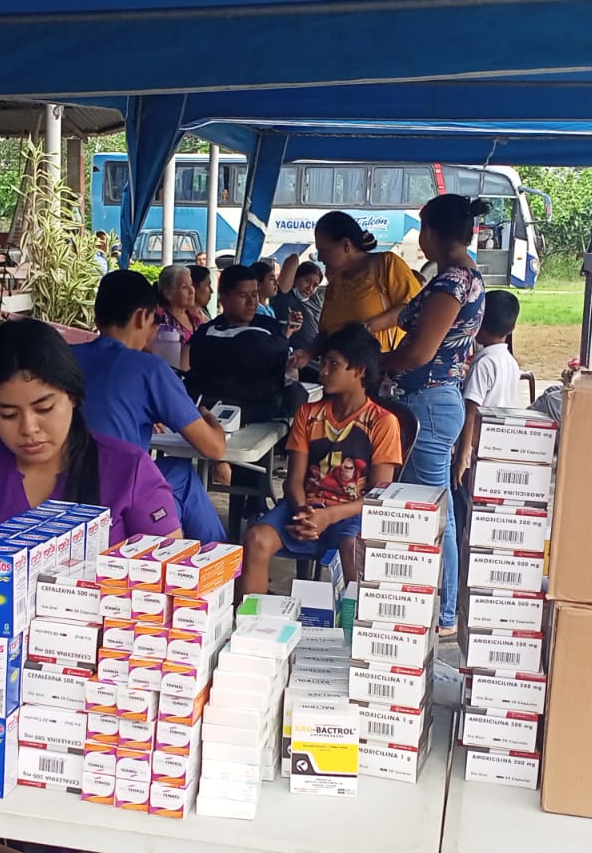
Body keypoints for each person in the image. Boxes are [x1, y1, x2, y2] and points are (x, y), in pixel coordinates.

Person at [0, 317, 180, 545]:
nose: (29, 428)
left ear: (72, 396)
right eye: (8, 414)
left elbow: (171, 567)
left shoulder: (129, 470)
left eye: (44, 408)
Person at [381, 194, 490, 636]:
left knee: (433, 511)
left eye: (421, 230)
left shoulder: (452, 283)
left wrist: (376, 364)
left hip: (426, 401)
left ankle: (444, 613)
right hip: (434, 400)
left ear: (431, 232)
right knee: (431, 506)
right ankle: (435, 604)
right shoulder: (461, 276)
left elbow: (421, 351)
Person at [240, 325, 401, 594]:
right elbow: (293, 481)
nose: (323, 371)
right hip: (305, 507)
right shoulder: (308, 413)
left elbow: (379, 496)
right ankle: (249, 618)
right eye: (323, 362)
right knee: (256, 538)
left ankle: (354, 620)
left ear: (359, 371)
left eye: (333, 364)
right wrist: (304, 511)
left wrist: (329, 516)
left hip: (351, 515)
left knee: (353, 552)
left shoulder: (383, 422)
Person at [74, 271, 229, 543]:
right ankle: (222, 560)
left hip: (62, 490)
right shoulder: (148, 370)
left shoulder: (66, 359)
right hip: (115, 496)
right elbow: (213, 448)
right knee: (181, 474)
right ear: (141, 317)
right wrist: (210, 419)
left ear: (97, 318)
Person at [187, 265, 304, 422]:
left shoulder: (269, 325)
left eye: (255, 295)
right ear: (224, 297)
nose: (251, 302)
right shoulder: (205, 334)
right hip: (223, 415)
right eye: (243, 295)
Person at [313, 211, 422, 351]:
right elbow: (324, 333)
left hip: (379, 362)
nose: (320, 258)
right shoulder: (335, 282)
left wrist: (366, 328)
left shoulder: (386, 264)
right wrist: (308, 354)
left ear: (346, 245)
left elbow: (414, 308)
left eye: (323, 250)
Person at [452, 290, 522, 489]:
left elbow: (471, 413)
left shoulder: (483, 363)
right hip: (498, 446)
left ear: (478, 322)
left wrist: (461, 458)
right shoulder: (510, 362)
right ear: (512, 327)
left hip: (475, 451)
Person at [273, 257, 326, 360]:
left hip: (318, 356)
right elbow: (293, 259)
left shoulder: (314, 299)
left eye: (315, 285)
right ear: (296, 277)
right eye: (307, 280)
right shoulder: (285, 297)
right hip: (298, 357)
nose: (310, 288)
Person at [152, 264, 202, 369]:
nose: (191, 291)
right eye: (184, 287)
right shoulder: (158, 318)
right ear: (168, 293)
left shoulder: (196, 318)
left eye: (191, 284)